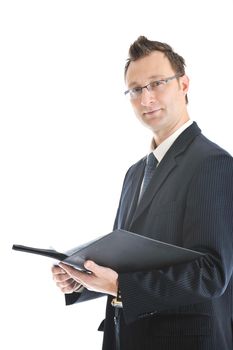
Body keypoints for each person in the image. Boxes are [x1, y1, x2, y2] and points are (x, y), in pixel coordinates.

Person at [51, 36, 233, 350]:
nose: (146, 99)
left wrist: (121, 286)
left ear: (184, 84)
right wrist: (83, 281)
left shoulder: (213, 164)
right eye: (135, 90)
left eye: (157, 83)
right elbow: (131, 260)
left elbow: (212, 274)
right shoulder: (134, 173)